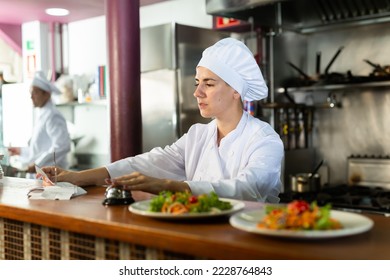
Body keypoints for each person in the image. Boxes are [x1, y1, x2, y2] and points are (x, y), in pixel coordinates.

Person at [42, 38, 284, 202]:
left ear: (236, 91)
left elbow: (248, 190)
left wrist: (169, 186)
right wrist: (76, 176)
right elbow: (146, 163)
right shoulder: (198, 135)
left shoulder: (264, 140)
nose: (197, 93)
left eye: (209, 84)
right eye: (197, 83)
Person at [8, 71, 71, 174]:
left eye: (35, 92)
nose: (31, 97)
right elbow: (39, 150)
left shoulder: (53, 115)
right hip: (41, 176)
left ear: (46, 94)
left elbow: (62, 146)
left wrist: (38, 164)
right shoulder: (42, 114)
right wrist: (21, 151)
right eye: (30, 93)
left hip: (52, 176)